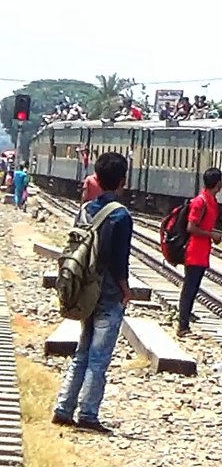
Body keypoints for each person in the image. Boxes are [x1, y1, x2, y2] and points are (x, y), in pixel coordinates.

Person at [52, 152, 133, 433]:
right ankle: (88, 414)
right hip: (109, 292)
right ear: (123, 180)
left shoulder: (85, 209)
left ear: (96, 178)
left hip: (85, 288)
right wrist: (125, 290)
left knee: (82, 350)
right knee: (99, 356)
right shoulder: (121, 215)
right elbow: (118, 259)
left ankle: (64, 407)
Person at [176, 168, 222, 337]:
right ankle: (182, 326)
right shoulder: (200, 202)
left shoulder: (211, 201)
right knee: (189, 288)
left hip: (202, 253)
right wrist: (212, 235)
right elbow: (191, 227)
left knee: (193, 288)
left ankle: (185, 319)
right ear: (218, 184)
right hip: (194, 252)